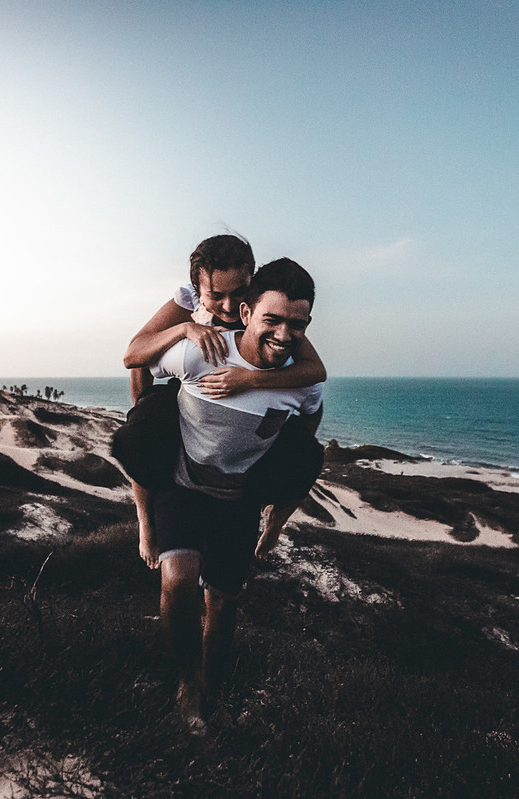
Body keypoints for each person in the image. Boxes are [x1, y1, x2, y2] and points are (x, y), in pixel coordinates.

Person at [145, 258, 323, 732]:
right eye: (273, 320)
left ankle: (212, 690)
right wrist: (143, 418)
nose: (284, 335)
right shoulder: (200, 351)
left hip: (239, 499)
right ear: (246, 313)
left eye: (298, 325)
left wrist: (279, 485)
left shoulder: (301, 381)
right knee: (177, 580)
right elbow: (139, 359)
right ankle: (187, 684)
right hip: (182, 485)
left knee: (223, 602)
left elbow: (310, 421)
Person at [121, 235, 326, 569]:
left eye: (239, 292)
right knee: (140, 437)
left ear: (252, 285)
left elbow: (316, 371)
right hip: (190, 386)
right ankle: (146, 523)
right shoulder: (187, 303)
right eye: (216, 296)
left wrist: (250, 380)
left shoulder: (274, 318)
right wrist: (184, 329)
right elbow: (134, 355)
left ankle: (274, 519)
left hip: (248, 397)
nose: (229, 306)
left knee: (306, 454)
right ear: (198, 291)